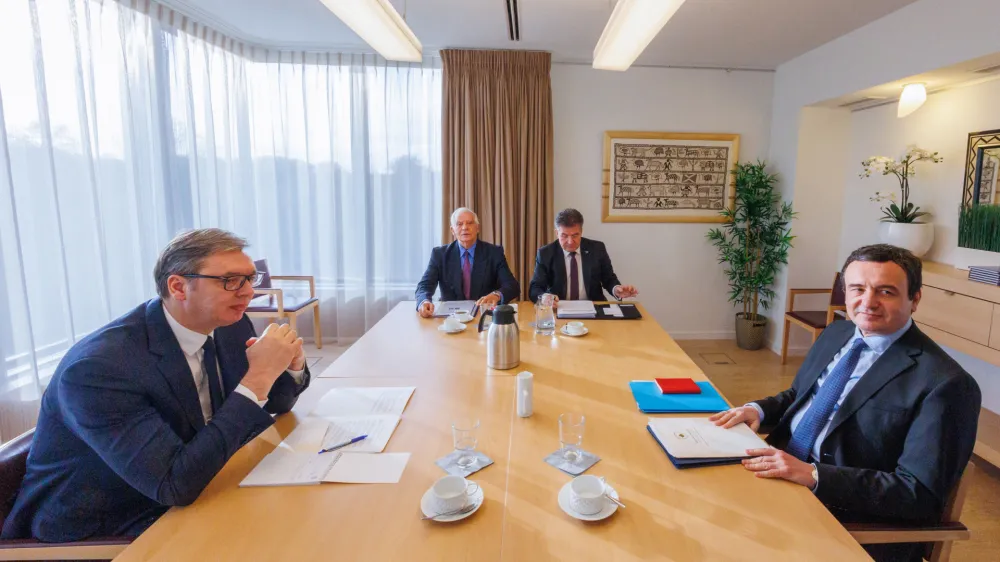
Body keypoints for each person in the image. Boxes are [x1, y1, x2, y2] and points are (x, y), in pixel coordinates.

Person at [1, 229, 311, 542]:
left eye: (249, 278)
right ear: (178, 286)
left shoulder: (227, 324)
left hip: (197, 482)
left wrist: (291, 365)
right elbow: (173, 485)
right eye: (230, 280)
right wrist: (257, 378)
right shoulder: (98, 370)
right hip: (105, 523)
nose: (248, 293)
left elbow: (274, 404)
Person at [710, 244, 981, 562]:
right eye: (857, 289)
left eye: (886, 291)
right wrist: (756, 410)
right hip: (777, 477)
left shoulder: (946, 384)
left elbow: (918, 495)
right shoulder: (838, 333)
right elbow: (799, 397)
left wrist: (813, 474)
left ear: (915, 299)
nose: (868, 302)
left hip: (846, 516)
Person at [415, 208, 520, 318]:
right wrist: (424, 302)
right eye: (459, 224)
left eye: (470, 223)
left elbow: (512, 286)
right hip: (450, 318)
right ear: (452, 230)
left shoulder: (494, 253)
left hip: (483, 316)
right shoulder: (439, 255)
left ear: (477, 228)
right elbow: (424, 285)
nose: (465, 227)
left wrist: (496, 295)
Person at [528, 208, 637, 305]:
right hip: (559, 308)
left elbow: (608, 278)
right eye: (564, 236)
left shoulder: (597, 248)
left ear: (581, 232)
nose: (570, 241)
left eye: (575, 235)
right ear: (557, 233)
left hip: (594, 307)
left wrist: (616, 289)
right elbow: (535, 287)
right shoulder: (546, 253)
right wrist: (544, 297)